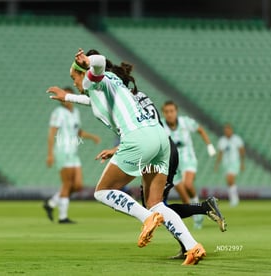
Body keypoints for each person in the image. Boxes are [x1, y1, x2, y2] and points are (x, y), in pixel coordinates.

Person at [48, 49, 206, 265]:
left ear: (82, 73)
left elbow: (99, 64)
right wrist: (67, 97)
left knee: (102, 191)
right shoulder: (108, 85)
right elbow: (92, 100)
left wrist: (89, 61)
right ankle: (193, 247)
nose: (73, 82)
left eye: (73, 77)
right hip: (160, 138)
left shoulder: (94, 80)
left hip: (138, 139)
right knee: (156, 203)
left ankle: (147, 218)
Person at [96, 60, 226, 259]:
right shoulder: (139, 97)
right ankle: (188, 242)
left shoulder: (126, 102)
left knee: (156, 206)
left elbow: (139, 132)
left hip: (158, 150)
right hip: (161, 146)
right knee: (154, 205)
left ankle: (202, 212)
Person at [44, 87, 101, 223]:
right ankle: (63, 217)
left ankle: (51, 203)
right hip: (63, 151)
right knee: (67, 183)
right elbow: (52, 133)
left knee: (78, 185)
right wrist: (50, 154)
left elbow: (77, 131)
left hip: (73, 152)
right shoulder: (58, 112)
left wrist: (92, 137)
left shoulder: (75, 112)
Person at [162, 101, 216, 229]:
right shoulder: (161, 126)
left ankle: (198, 211)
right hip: (173, 163)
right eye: (167, 112)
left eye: (172, 111)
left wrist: (209, 145)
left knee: (188, 184)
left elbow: (200, 130)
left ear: (176, 111)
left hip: (188, 159)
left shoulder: (185, 122)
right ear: (164, 113)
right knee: (184, 198)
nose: (170, 114)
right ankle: (197, 211)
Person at [215, 123, 245, 207]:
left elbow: (242, 151)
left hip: (234, 162)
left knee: (230, 178)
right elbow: (220, 153)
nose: (227, 131)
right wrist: (217, 164)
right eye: (225, 130)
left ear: (231, 130)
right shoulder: (222, 140)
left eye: (228, 130)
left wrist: (242, 163)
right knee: (229, 181)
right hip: (226, 164)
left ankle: (234, 199)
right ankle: (233, 198)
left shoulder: (237, 139)